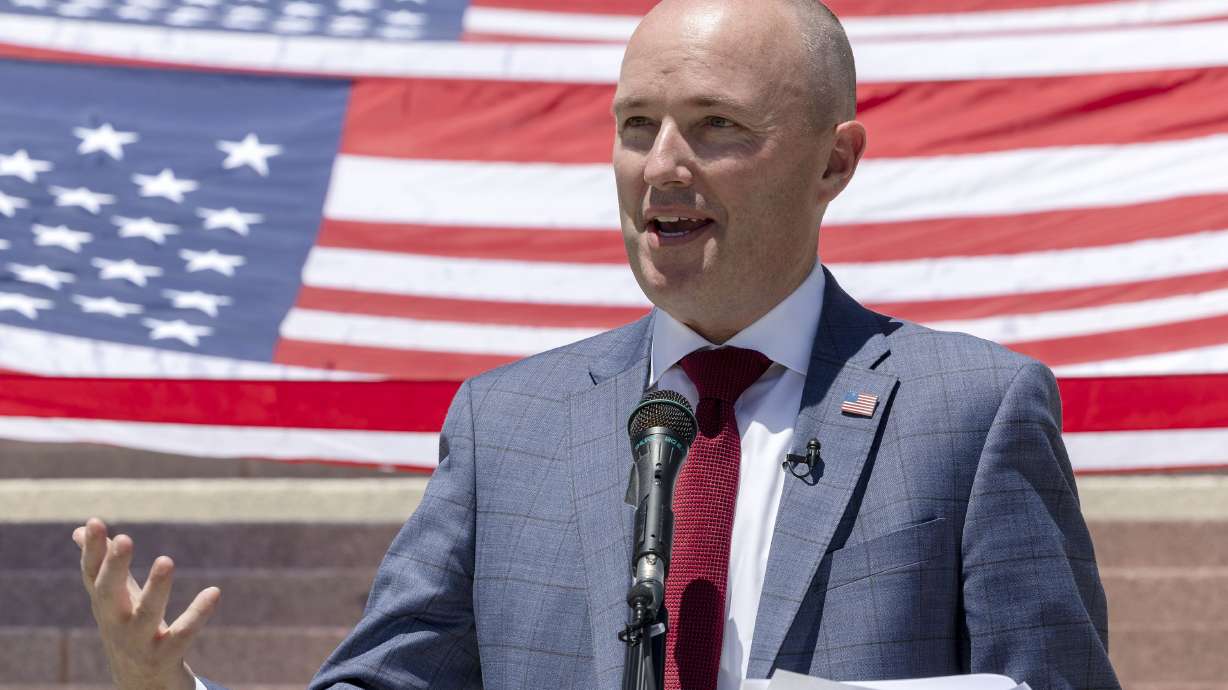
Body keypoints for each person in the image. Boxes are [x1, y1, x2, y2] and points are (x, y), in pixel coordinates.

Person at [74, 0, 1121, 688]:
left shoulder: (972, 412)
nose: (663, 165)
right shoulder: (509, 423)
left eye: (716, 126)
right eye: (635, 126)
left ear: (832, 161)